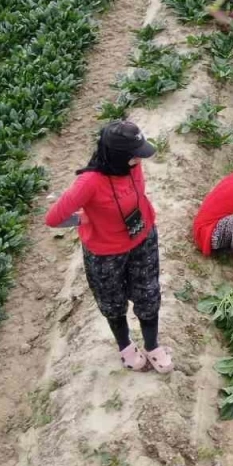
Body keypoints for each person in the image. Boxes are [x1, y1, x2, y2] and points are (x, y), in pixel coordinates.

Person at [45, 121, 174, 373]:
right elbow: (53, 218)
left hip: (142, 238)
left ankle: (152, 346)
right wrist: (82, 218)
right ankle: (125, 346)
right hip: (106, 253)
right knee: (112, 301)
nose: (139, 159)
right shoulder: (89, 183)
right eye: (134, 155)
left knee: (148, 293)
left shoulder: (132, 166)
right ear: (117, 156)